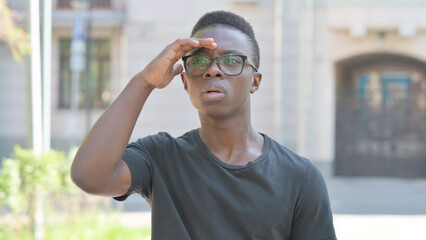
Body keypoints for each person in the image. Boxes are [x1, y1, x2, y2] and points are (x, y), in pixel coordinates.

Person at [71, 10, 336, 240]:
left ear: (255, 81)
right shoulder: (161, 157)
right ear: (186, 82)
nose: (213, 70)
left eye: (232, 60)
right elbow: (89, 176)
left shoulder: (299, 177)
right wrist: (144, 82)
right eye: (199, 61)